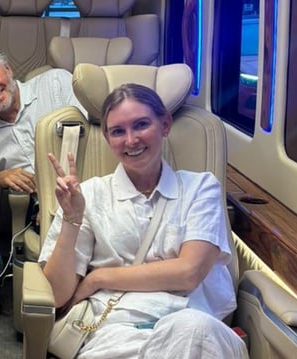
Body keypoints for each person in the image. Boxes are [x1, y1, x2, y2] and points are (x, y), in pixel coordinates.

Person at [38, 83, 247, 358]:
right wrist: (72, 219)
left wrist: (98, 278)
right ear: (108, 139)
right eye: (117, 131)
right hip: (115, 333)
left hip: (191, 329)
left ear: (165, 125)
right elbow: (56, 295)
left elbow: (189, 272)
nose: (131, 140)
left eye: (141, 125)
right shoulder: (89, 195)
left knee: (194, 329)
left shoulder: (200, 188)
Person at [0, 43, 86, 222]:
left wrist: (58, 203)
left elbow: (93, 139)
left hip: (90, 195)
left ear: (8, 69)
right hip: (44, 219)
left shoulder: (55, 83)